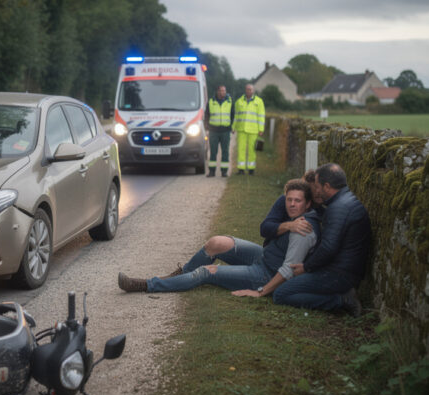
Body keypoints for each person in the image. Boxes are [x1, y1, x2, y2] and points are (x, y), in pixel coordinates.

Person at [117, 179, 320, 297]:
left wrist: (261, 291)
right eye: (289, 200)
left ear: (308, 204)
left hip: (265, 274)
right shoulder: (293, 215)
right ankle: (180, 275)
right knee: (216, 243)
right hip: (264, 256)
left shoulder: (304, 229)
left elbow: (288, 270)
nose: (292, 204)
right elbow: (265, 228)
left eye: (297, 201)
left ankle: (147, 284)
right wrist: (287, 224)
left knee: (206, 272)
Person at [272, 163, 371, 316]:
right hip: (343, 270)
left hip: (339, 275)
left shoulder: (338, 208)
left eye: (317, 186)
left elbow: (328, 248)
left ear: (326, 186)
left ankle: (342, 300)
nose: (315, 191)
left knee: (281, 294)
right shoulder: (345, 200)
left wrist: (306, 267)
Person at [233, 84, 265, 175]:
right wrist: (233, 127)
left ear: (253, 91)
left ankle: (251, 169)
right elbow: (236, 116)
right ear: (245, 90)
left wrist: (261, 129)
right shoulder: (239, 101)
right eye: (247, 89)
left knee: (252, 150)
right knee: (241, 149)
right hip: (241, 129)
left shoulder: (259, 102)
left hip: (253, 130)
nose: (249, 91)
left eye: (250, 89)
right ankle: (241, 169)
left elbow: (261, 116)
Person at [205, 85, 235, 177]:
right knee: (213, 152)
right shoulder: (211, 102)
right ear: (217, 92)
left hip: (225, 131)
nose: (223, 92)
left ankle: (224, 171)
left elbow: (233, 116)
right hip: (213, 131)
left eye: (224, 91)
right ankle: (212, 171)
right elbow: (207, 115)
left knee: (225, 151)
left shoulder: (230, 102)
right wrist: (206, 126)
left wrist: (232, 127)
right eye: (221, 91)